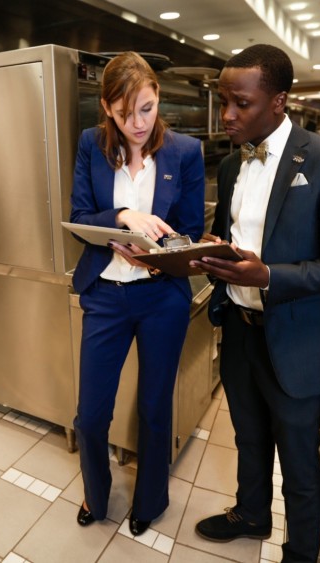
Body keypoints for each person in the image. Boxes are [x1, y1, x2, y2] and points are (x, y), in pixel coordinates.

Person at [191, 44, 320, 562]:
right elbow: (234, 235)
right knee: (247, 436)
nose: (227, 115)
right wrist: (208, 254)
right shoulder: (229, 166)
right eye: (223, 102)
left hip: (299, 337)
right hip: (242, 330)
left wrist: (268, 275)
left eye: (239, 103)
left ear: (279, 102)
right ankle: (250, 514)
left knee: (298, 456)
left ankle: (302, 553)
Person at [69, 51, 205, 537]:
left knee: (153, 406)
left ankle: (149, 500)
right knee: (90, 415)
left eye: (146, 108)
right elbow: (81, 217)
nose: (138, 122)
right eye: (125, 113)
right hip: (105, 294)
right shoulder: (91, 145)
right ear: (107, 107)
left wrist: (153, 250)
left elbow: (190, 230)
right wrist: (123, 219)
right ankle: (96, 493)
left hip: (161, 295)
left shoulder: (185, 151)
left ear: (157, 98)